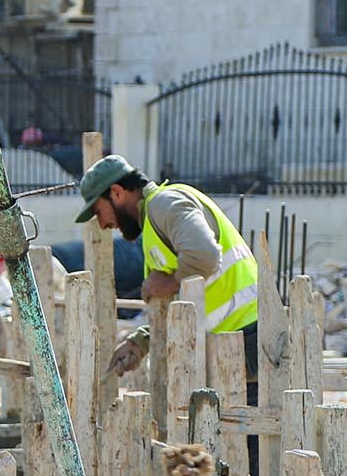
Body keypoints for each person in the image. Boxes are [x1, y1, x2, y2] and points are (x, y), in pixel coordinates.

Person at [74, 155, 260, 380]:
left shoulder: (164, 204)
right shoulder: (154, 228)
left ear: (117, 193)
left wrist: (170, 282)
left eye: (98, 212)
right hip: (230, 345)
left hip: (250, 338)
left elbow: (206, 256)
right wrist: (142, 341)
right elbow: (175, 300)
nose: (103, 225)